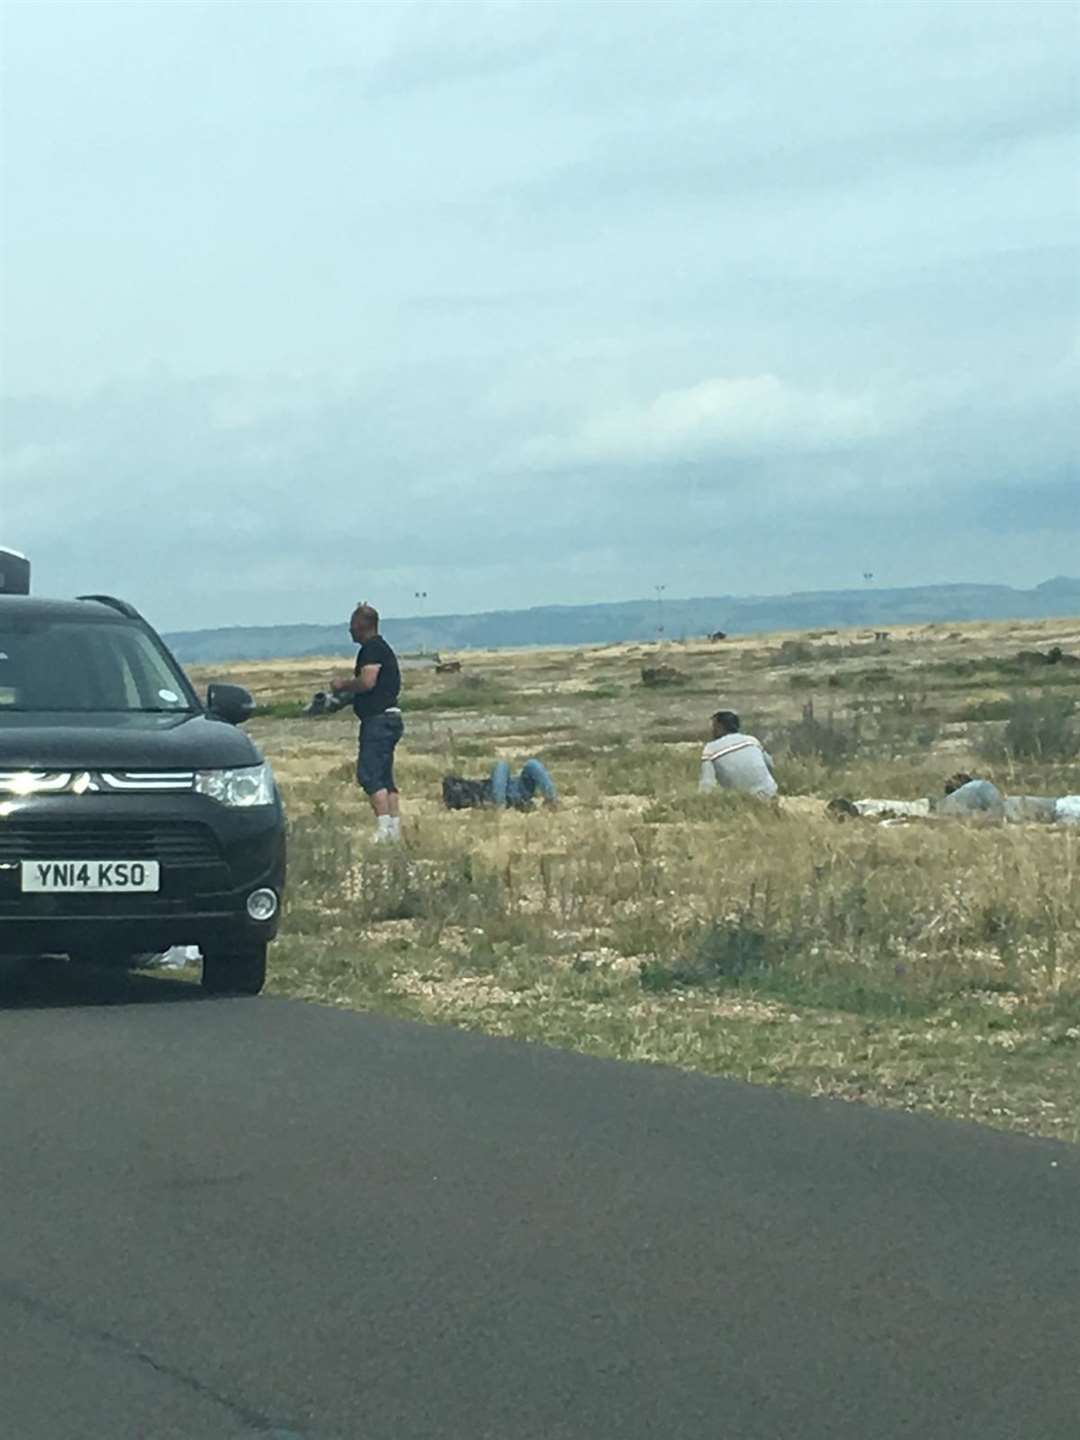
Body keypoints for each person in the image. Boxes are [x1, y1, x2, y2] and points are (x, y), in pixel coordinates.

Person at [330, 603, 403, 842]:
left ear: (362, 626)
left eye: (352, 626)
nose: (350, 631)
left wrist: (344, 686)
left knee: (369, 775)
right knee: (385, 776)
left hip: (378, 720)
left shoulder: (371, 650)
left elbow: (367, 682)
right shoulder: (383, 648)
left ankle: (383, 830)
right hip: (391, 717)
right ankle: (394, 828)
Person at [699, 710, 778, 798]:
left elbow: (707, 784)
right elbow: (769, 764)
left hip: (742, 799)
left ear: (720, 727)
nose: (712, 730)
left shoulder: (710, 749)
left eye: (714, 726)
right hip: (770, 793)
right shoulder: (752, 741)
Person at [442, 757, 558, 811]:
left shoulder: (469, 788)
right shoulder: (473, 797)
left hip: (516, 789)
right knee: (502, 765)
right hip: (501, 795)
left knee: (531, 764)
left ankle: (551, 799)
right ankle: (500, 805)